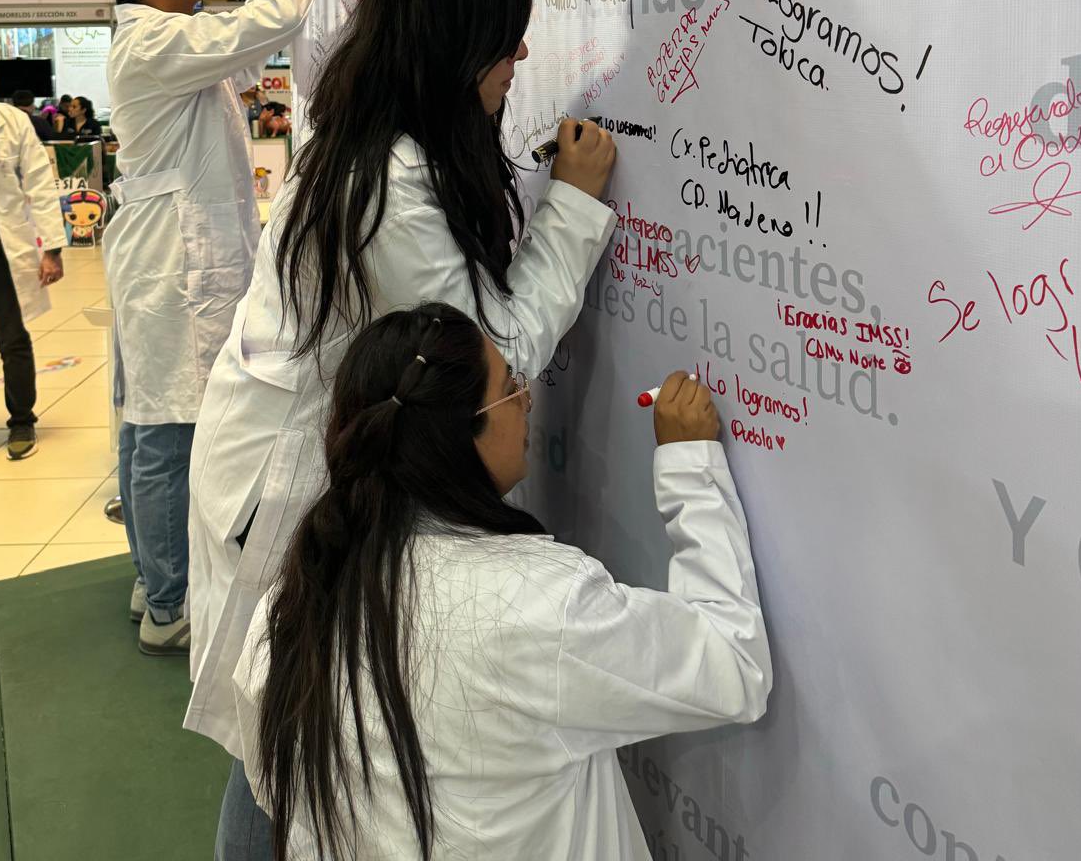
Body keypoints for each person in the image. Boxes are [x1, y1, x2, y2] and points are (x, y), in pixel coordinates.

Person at [186, 0, 617, 855]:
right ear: (454, 46)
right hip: (283, 477)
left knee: (291, 725)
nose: (522, 57)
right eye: (506, 38)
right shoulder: (386, 181)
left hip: (286, 449)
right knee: (285, 740)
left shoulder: (376, 142)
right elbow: (494, 351)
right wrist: (578, 206)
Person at [233, 303, 772, 861]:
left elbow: (276, 788)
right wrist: (690, 466)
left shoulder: (293, 602)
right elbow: (733, 662)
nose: (527, 399)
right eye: (510, 388)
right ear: (459, 436)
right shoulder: (535, 603)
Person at [89, 0, 324, 657]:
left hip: (162, 256)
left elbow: (246, 54)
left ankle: (152, 579)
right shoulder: (154, 41)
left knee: (150, 419)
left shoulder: (165, 40)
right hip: (172, 263)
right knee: (167, 429)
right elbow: (257, 29)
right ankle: (168, 604)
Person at [0, 77, 66, 460]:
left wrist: (52, 249)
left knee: (12, 338)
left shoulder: (12, 122)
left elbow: (40, 183)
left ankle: (21, 420)